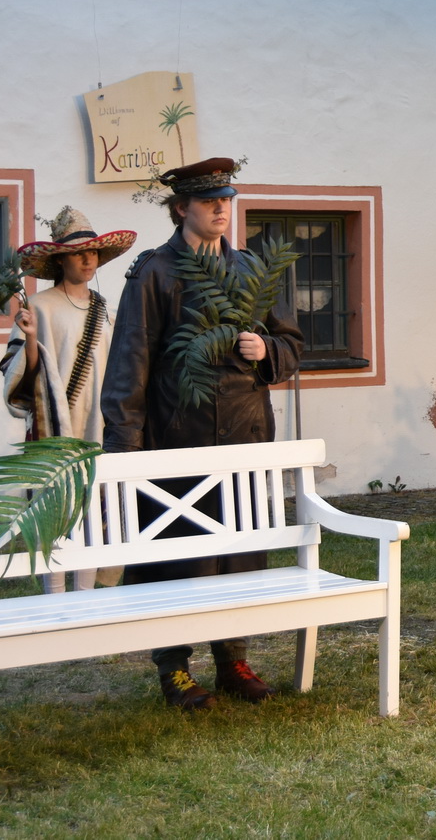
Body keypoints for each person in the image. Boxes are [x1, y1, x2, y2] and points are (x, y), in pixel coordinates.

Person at [101, 157, 303, 709]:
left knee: (239, 553)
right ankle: (174, 670)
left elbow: (291, 343)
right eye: (209, 200)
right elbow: (129, 364)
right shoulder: (155, 273)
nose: (220, 208)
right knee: (177, 556)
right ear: (181, 208)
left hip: (245, 438)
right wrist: (124, 452)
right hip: (176, 440)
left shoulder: (251, 270)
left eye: (226, 199)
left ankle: (233, 660)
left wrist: (269, 352)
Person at [1, 206, 136, 594]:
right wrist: (28, 336)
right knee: (55, 506)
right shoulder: (39, 306)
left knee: (96, 505)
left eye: (93, 252)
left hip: (100, 419)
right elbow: (19, 372)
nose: (88, 259)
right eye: (79, 253)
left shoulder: (105, 309)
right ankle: (55, 596)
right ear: (61, 260)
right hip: (56, 424)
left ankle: (86, 596)